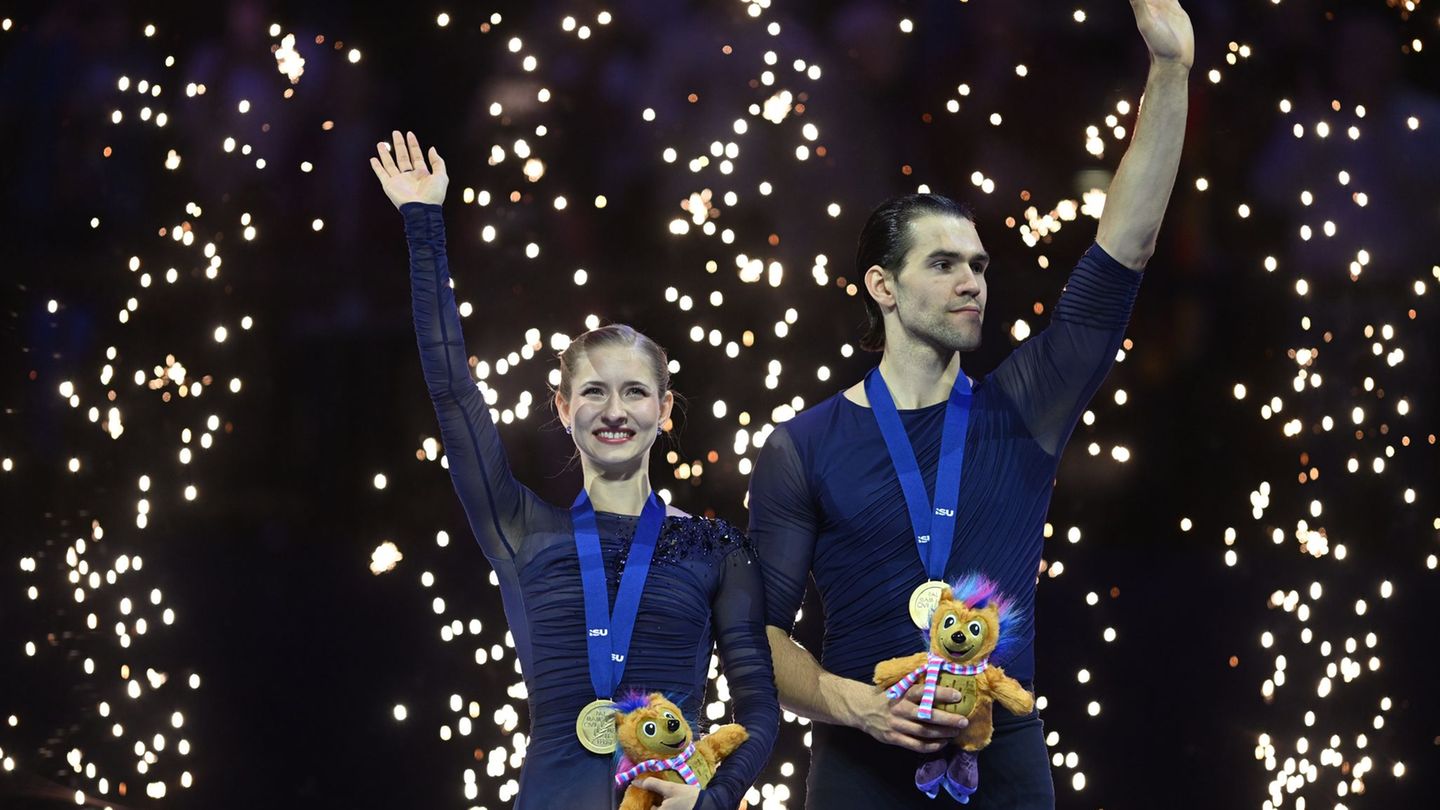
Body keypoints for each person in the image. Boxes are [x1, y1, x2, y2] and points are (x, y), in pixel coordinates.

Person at [747, 1, 1192, 806]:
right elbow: (759, 638)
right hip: (858, 765)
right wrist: (861, 707)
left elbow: (1126, 248)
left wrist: (1170, 73)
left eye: (980, 267)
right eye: (944, 264)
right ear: (882, 286)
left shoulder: (1023, 411)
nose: (971, 283)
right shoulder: (802, 446)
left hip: (1004, 759)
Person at [370, 130, 778, 810]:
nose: (613, 410)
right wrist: (424, 223)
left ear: (665, 411)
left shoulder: (718, 549)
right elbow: (451, 390)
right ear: (562, 409)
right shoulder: (523, 529)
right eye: (592, 392)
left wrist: (711, 800)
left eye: (634, 392)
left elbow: (759, 711)